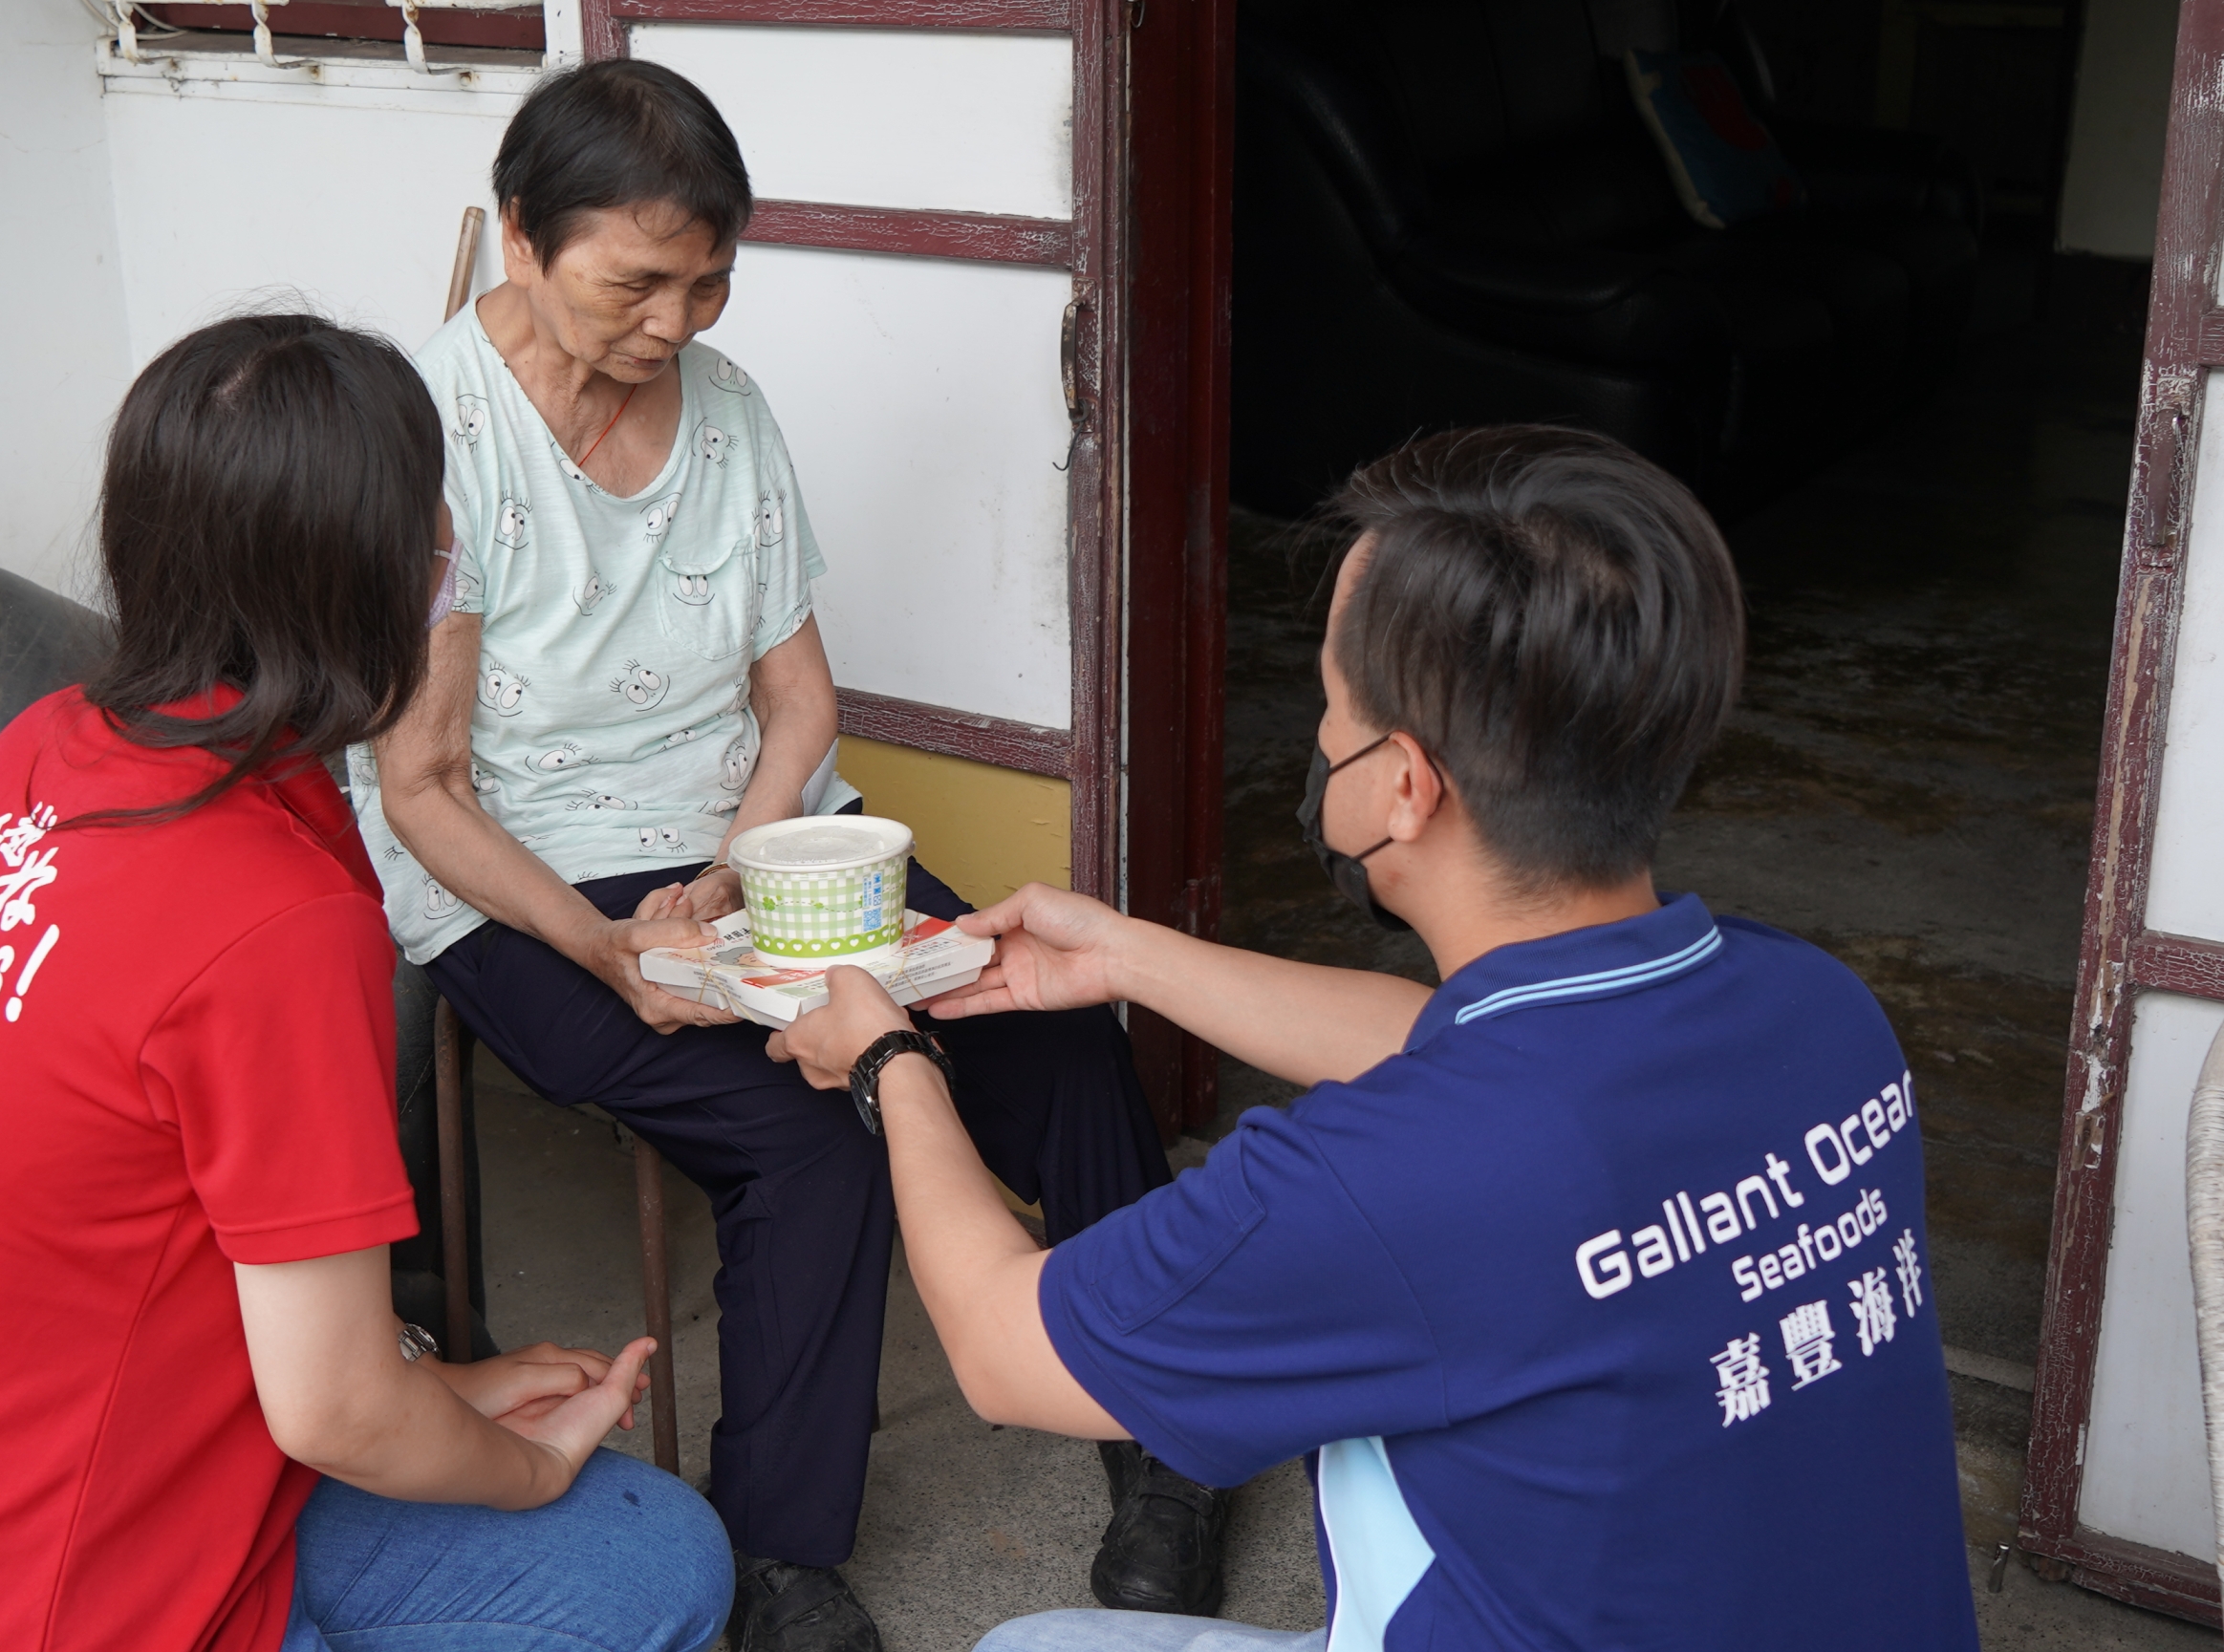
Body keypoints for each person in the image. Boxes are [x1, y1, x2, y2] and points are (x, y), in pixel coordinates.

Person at [771, 427, 1980, 1651]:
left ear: (1404, 783)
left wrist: (890, 1062)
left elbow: (997, 1342)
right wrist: (1127, 957)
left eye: (1330, 708)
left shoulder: (1377, 1181)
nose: (1313, 739)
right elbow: (1452, 1058)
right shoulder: (1821, 1007)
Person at [352, 57, 1210, 1651]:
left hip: (746, 845)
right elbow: (422, 788)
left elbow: (798, 693)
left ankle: (1165, 1427)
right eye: (640, 281)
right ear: (525, 239)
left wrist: (745, 871)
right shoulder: (429, 441)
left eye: (710, 279)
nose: (678, 322)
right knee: (812, 1137)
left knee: (1045, 1014)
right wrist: (612, 945)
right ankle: (778, 1559)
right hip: (520, 888)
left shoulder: (725, 411)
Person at [0, 315, 734, 1652]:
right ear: (368, 581)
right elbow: (334, 1413)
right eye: (431, 528)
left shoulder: (47, 748)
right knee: (649, 1569)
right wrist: (519, 1465)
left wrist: (441, 1387)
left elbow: (172, 1237)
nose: (450, 557)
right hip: (69, 1605)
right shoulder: (273, 920)